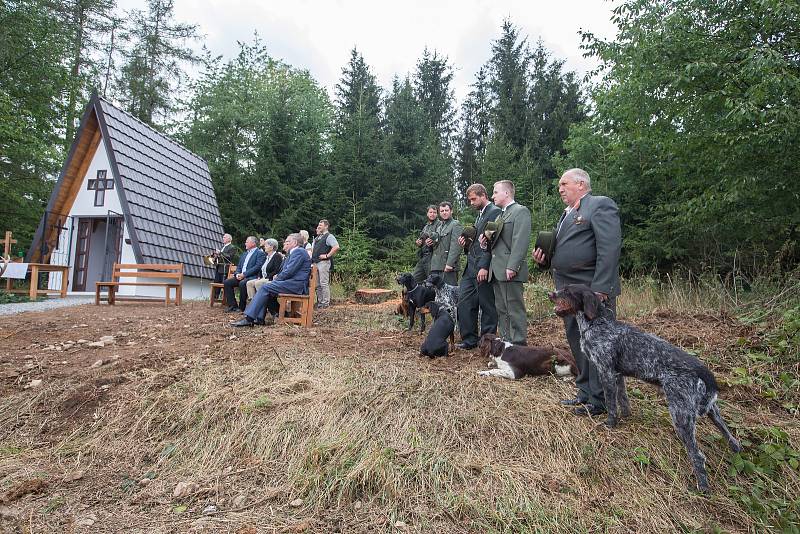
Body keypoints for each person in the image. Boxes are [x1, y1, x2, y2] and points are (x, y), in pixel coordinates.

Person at [533, 168, 621, 417]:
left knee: (599, 344)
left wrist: (602, 288)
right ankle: (585, 392)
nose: (560, 188)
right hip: (568, 290)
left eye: (564, 183)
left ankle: (601, 399)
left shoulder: (600, 205)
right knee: (577, 339)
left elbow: (609, 248)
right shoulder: (567, 213)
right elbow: (566, 250)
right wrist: (544, 260)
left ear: (581, 183)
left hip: (590, 290)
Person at [484, 180, 531, 346]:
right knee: (502, 310)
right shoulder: (499, 216)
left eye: (495, 192)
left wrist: (513, 266)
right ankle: (506, 343)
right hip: (496, 270)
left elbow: (521, 241)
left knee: (514, 309)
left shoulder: (520, 212)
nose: (492, 196)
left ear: (506, 193)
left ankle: (518, 345)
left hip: (509, 269)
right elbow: (496, 244)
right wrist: (485, 243)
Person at [231, 233, 312, 326]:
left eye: (287, 241)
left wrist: (276, 280)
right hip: (291, 283)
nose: (285, 243)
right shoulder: (294, 253)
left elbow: (289, 272)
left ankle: (249, 318)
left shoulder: (299, 252)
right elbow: (286, 271)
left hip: (296, 285)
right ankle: (259, 318)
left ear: (294, 242)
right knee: (266, 288)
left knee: (265, 287)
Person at [456, 184, 501, 349]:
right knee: (465, 302)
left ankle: (487, 342)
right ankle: (469, 339)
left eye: (474, 199)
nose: (471, 202)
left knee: (487, 305)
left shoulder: (495, 212)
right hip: (470, 267)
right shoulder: (480, 216)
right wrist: (466, 244)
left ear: (483, 196)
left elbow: (492, 243)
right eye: (470, 200)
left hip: (483, 267)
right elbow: (477, 242)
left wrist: (484, 266)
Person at [222, 236, 265, 313]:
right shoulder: (244, 254)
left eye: (247, 242)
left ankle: (241, 307)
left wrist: (244, 275)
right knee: (227, 282)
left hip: (252, 277)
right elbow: (239, 266)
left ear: (253, 243)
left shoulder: (260, 253)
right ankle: (233, 306)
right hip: (240, 276)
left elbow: (257, 267)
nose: (245, 243)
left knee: (242, 283)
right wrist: (237, 274)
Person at [429, 201, 463, 285]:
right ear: (439, 213)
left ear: (451, 211)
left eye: (446, 210)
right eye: (442, 211)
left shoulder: (455, 224)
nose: (444, 212)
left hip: (448, 267)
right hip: (436, 266)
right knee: (439, 295)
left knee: (451, 295)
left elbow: (456, 246)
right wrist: (431, 242)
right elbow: (438, 246)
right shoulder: (440, 227)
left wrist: (449, 264)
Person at [311, 219, 339, 309]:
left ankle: (325, 303)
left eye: (321, 225)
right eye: (318, 224)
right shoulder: (317, 238)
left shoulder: (329, 236)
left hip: (324, 263)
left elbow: (336, 247)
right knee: (317, 284)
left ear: (326, 226)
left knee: (323, 283)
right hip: (315, 262)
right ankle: (320, 303)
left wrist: (327, 255)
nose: (319, 226)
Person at [412, 205, 440, 283]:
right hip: (423, 257)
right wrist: (419, 243)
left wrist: (433, 242)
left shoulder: (440, 224)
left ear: (437, 214)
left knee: (431, 282)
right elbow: (421, 240)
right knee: (414, 280)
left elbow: (440, 239)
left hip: (432, 257)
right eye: (430, 212)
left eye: (435, 212)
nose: (432, 214)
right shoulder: (426, 227)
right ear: (427, 214)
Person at [212, 233, 238, 299]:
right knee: (216, 283)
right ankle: (215, 297)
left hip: (225, 269)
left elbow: (229, 256)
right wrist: (215, 256)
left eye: (224, 237)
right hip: (219, 267)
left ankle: (225, 299)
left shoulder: (232, 247)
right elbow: (221, 256)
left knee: (224, 284)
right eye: (223, 237)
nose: (223, 238)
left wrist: (220, 252)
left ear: (229, 239)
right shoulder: (222, 247)